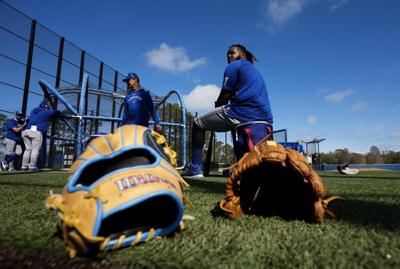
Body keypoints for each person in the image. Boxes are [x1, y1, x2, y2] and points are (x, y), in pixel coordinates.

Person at [182, 44, 273, 178]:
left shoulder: (234, 66)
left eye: (232, 53)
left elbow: (225, 95)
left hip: (242, 112)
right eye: (228, 55)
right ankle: (239, 167)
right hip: (266, 118)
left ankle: (195, 169)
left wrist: (218, 106)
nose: (229, 56)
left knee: (197, 123)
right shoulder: (253, 69)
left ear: (241, 55)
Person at [21, 99, 61, 171]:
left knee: (27, 150)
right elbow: (56, 112)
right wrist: (60, 113)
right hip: (36, 132)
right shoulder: (47, 111)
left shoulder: (33, 111)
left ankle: (24, 166)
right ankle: (32, 166)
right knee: (35, 150)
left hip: (26, 131)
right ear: (46, 107)